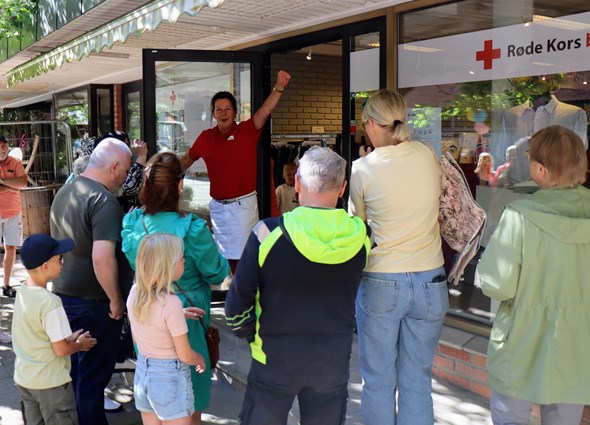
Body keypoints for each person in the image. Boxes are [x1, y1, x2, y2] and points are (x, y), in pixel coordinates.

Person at [225, 146, 370, 425]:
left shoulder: (267, 234)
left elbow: (234, 310)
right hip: (331, 363)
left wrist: (253, 336)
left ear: (298, 184)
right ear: (342, 189)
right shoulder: (361, 236)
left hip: (274, 360)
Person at [476, 125, 590, 425]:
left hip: (521, 340)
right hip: (578, 344)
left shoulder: (520, 216)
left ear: (540, 168)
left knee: (509, 417)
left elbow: (496, 284)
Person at [348, 90, 448, 425]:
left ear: (373, 126)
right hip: (431, 281)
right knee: (418, 378)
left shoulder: (362, 168)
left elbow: (356, 226)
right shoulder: (427, 155)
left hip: (383, 279)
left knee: (378, 380)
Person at [122, 152, 229, 425]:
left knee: (155, 392)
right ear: (180, 186)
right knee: (189, 399)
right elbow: (218, 271)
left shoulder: (134, 225)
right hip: (188, 318)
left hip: (146, 318)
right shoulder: (192, 229)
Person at [49, 137, 134, 425]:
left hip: (63, 298)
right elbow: (102, 258)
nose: (125, 177)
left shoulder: (66, 190)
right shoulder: (104, 201)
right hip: (94, 306)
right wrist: (116, 300)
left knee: (74, 376)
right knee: (92, 380)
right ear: (114, 167)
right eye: (125, 170)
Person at [180, 70, 291, 274]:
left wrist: (279, 88)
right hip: (218, 209)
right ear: (213, 113)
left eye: (227, 109)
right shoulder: (206, 137)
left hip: (242, 206)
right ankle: (237, 294)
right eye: (219, 109)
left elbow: (264, 111)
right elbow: (187, 159)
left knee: (245, 258)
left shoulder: (247, 131)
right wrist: (164, 171)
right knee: (226, 259)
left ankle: (246, 298)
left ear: (235, 112)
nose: (223, 113)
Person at [13, 234, 97, 425]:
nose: (62, 261)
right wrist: (78, 344)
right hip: (51, 384)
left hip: (25, 379)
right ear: (45, 266)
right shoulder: (51, 302)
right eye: (59, 259)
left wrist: (68, 338)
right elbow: (61, 350)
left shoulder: (22, 292)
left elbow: (37, 334)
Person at [127, 233, 206, 425]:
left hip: (143, 372)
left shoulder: (135, 292)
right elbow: (185, 354)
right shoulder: (172, 304)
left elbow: (138, 338)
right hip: (170, 378)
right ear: (168, 266)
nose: (184, 260)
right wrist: (200, 358)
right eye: (180, 258)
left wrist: (179, 315)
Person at [0, 134, 27, 301]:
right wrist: (12, 184)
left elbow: (23, 183)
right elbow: (16, 184)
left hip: (13, 211)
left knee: (11, 248)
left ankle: (6, 284)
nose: (2, 149)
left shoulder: (15, 163)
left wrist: (3, 181)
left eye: (4, 145)